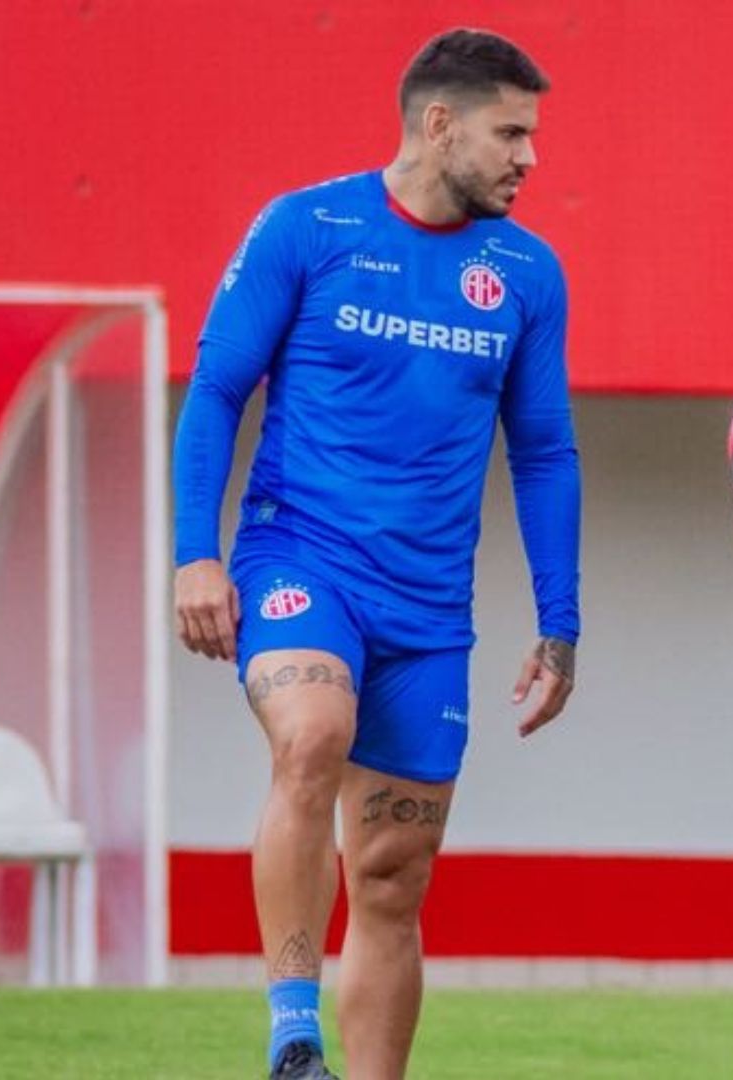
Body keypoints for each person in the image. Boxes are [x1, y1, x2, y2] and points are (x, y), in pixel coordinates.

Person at [171, 29, 580, 1080]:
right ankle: (292, 1028)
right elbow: (217, 391)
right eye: (512, 131)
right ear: (439, 124)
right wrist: (195, 556)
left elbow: (541, 452)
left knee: (394, 877)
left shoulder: (528, 274)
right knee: (313, 731)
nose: (529, 156)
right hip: (298, 560)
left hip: (430, 610)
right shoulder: (306, 228)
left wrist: (560, 620)